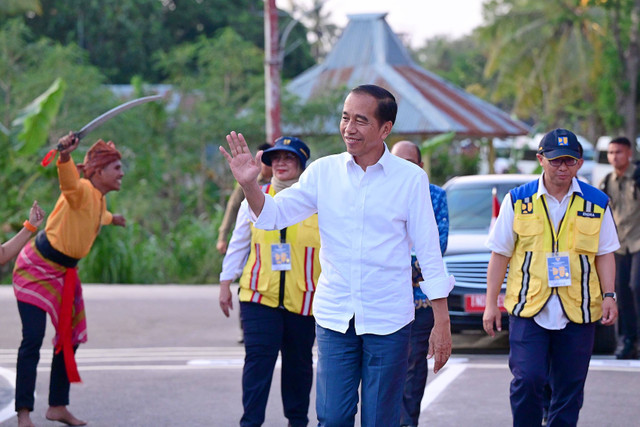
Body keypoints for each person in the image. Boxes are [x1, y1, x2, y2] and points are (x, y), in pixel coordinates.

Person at [220, 84, 455, 426]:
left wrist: (442, 321)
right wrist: (250, 186)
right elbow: (272, 216)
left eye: (361, 120)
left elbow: (430, 252)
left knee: (379, 420)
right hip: (334, 318)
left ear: (385, 129)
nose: (349, 128)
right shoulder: (323, 172)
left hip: (388, 320)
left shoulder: (410, 180)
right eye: (345, 118)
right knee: (331, 417)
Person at [483, 128, 619, 427]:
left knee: (569, 388)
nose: (563, 168)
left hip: (578, 310)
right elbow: (500, 254)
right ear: (540, 159)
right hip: (529, 307)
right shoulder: (519, 200)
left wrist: (609, 295)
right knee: (528, 379)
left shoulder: (596, 203)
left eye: (570, 161)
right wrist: (491, 303)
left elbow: (605, 253)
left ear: (580, 163)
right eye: (556, 160)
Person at [13, 132, 126, 427]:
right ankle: (23, 412)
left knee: (69, 338)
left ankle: (57, 406)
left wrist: (114, 219)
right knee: (33, 339)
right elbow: (69, 183)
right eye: (116, 168)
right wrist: (64, 156)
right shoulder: (82, 190)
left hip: (65, 274)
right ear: (99, 172)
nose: (122, 173)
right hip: (36, 269)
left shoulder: (99, 200)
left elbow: (100, 217)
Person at [218, 136, 319, 427]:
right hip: (259, 296)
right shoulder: (256, 195)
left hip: (304, 299)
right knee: (257, 363)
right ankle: (250, 422)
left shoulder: (317, 203)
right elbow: (239, 243)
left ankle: (297, 421)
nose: (281, 163)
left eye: (289, 158)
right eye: (275, 158)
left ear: (301, 164)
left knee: (298, 367)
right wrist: (226, 282)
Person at [390, 140, 449, 427]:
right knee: (383, 369)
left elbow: (438, 245)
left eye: (409, 163)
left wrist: (398, 266)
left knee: (413, 368)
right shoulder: (379, 190)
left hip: (420, 299)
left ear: (421, 167)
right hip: (384, 297)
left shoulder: (435, 195)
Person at [599, 136, 640, 359]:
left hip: (638, 242)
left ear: (629, 154)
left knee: (636, 287)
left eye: (619, 152)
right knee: (621, 293)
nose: (615, 157)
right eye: (611, 153)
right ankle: (627, 341)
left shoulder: (638, 176)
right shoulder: (607, 181)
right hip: (618, 245)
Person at [216, 142, 273, 255]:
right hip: (250, 237)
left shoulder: (279, 183)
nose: (261, 164)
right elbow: (233, 206)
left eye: (265, 160)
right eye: (258, 159)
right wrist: (222, 236)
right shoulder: (249, 181)